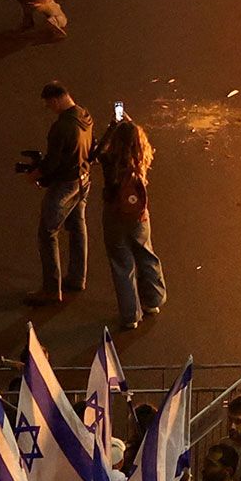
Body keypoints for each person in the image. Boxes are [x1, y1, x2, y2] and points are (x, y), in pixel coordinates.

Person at [93, 102, 167, 331]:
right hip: (139, 216)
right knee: (146, 254)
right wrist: (130, 123)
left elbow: (96, 153)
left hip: (114, 215)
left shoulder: (111, 161)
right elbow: (135, 136)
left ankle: (130, 315)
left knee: (122, 264)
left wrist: (112, 126)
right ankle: (152, 301)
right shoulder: (141, 158)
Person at [29, 82, 94, 305]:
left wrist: (37, 174)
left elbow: (53, 163)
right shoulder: (85, 116)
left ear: (56, 100)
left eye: (49, 104)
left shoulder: (61, 127)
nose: (49, 108)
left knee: (47, 232)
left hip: (65, 185)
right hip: (83, 180)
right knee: (77, 227)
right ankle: (77, 277)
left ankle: (50, 290)